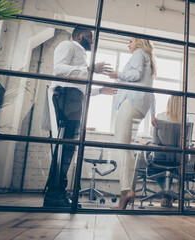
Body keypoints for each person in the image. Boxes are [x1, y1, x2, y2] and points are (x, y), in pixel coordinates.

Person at [43, 27, 116, 207]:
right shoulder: (68, 45)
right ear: (78, 35)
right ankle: (54, 194)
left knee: (69, 147)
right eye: (89, 37)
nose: (92, 40)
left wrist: (100, 90)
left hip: (74, 98)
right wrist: (89, 69)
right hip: (67, 97)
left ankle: (58, 192)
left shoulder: (81, 56)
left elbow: (79, 85)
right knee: (65, 146)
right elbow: (59, 69)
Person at [108, 37, 156, 210]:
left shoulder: (138, 53)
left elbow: (134, 75)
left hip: (131, 104)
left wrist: (117, 74)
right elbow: (150, 91)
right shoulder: (148, 60)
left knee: (120, 146)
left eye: (130, 41)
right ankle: (126, 190)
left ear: (139, 43)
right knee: (126, 147)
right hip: (140, 106)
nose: (128, 45)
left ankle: (125, 191)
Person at [153, 95, 182, 208]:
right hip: (178, 159)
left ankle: (166, 192)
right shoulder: (185, 119)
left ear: (168, 104)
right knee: (169, 167)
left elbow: (155, 140)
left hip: (162, 158)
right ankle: (168, 193)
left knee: (152, 167)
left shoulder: (160, 116)